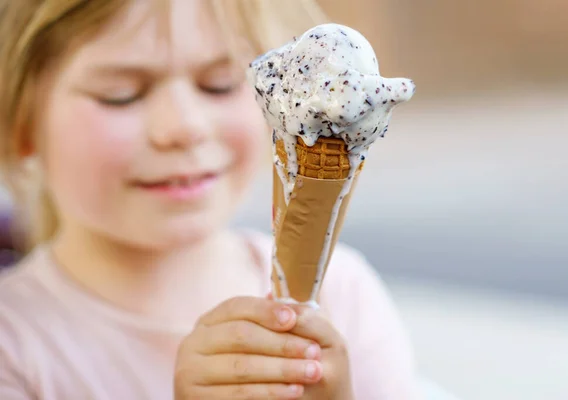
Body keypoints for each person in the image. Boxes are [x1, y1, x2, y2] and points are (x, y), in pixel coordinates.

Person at [0, 1, 418, 399]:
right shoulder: (13, 347)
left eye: (219, 85)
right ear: (22, 124)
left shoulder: (343, 294)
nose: (184, 126)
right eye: (121, 93)